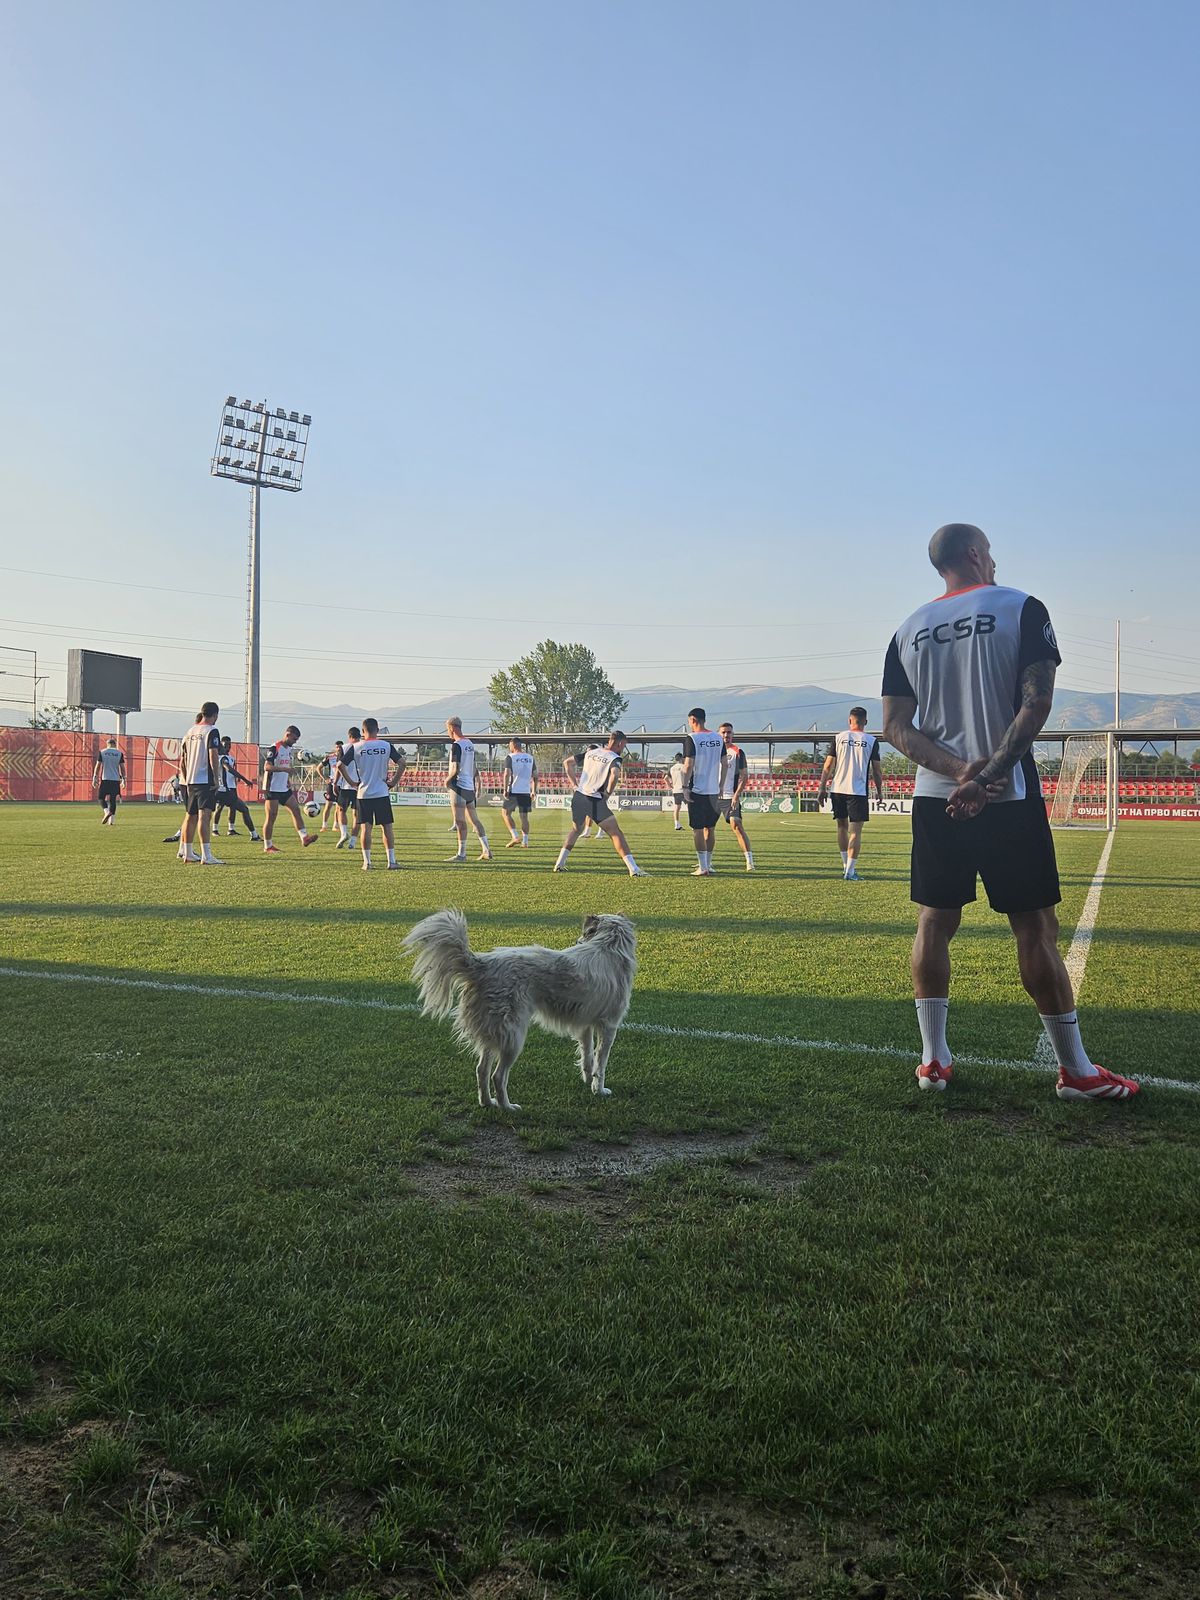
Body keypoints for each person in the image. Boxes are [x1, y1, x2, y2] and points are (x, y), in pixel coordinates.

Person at [881, 522, 1139, 1101]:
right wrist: (990, 774)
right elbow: (1037, 699)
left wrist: (957, 772)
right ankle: (1075, 1072)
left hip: (934, 797)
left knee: (934, 921)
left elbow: (896, 726)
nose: (994, 560)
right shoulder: (1020, 606)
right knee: (1035, 927)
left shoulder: (907, 629)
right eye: (990, 552)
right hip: (1009, 797)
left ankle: (933, 1061)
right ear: (976, 554)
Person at [553, 733, 645, 876]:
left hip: (579, 796)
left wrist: (574, 785)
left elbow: (567, 763)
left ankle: (559, 863)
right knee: (616, 833)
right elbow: (615, 774)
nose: (623, 748)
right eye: (624, 745)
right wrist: (608, 793)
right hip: (594, 799)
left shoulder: (592, 752)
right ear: (620, 743)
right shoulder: (614, 757)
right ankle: (633, 869)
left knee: (576, 830)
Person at [817, 707, 883, 880]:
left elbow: (828, 765)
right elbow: (877, 770)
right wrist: (880, 791)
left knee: (841, 827)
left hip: (837, 789)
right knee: (856, 832)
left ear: (849, 720)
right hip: (857, 791)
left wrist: (822, 787)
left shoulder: (839, 738)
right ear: (865, 722)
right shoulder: (871, 740)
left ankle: (845, 866)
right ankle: (850, 872)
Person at [343, 718, 404, 870]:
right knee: (387, 827)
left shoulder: (356, 747)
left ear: (363, 731)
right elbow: (402, 763)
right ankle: (391, 861)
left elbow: (340, 765)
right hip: (382, 792)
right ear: (377, 729)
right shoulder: (385, 745)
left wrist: (351, 782)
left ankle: (367, 862)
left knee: (366, 828)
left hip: (364, 794)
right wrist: (394, 781)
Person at [681, 708, 727, 876]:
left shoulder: (692, 738)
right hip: (714, 791)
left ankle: (702, 867)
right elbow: (725, 764)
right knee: (711, 828)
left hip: (698, 790)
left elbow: (688, 765)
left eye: (689, 722)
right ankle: (709, 864)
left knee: (698, 829)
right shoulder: (717, 737)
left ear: (693, 719)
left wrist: (685, 787)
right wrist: (721, 786)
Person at [177, 702, 223, 865]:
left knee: (191, 816)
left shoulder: (190, 731)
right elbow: (213, 754)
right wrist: (217, 779)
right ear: (215, 715)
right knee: (205, 816)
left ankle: (187, 852)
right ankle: (207, 855)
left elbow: (184, 757)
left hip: (190, 780)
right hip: (205, 779)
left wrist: (185, 775)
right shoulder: (211, 731)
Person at [261, 725, 319, 853]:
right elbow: (267, 767)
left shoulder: (288, 750)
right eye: (294, 739)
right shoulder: (275, 747)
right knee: (271, 817)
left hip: (283, 788)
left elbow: (283, 765)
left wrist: (287, 779)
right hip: (272, 788)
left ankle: (304, 838)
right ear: (287, 735)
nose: (295, 742)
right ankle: (268, 846)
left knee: (296, 810)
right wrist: (285, 770)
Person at [444, 717, 492, 862]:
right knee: (475, 820)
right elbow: (473, 767)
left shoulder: (456, 745)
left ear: (452, 728)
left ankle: (461, 854)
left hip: (458, 787)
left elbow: (456, 768)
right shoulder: (469, 744)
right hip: (469, 788)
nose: (448, 733)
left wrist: (447, 780)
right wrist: (477, 783)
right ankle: (486, 849)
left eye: (448, 729)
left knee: (460, 822)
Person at [717, 723, 755, 871]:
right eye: (723, 732)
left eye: (729, 732)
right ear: (718, 734)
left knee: (736, 825)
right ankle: (706, 862)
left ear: (733, 734)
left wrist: (736, 795)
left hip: (730, 796)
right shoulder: (712, 752)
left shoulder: (738, 752)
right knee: (707, 829)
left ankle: (749, 861)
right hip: (712, 795)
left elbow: (744, 776)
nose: (726, 735)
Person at [211, 736, 261, 839]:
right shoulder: (223, 758)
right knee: (244, 809)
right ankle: (254, 835)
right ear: (221, 746)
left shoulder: (230, 758)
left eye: (229, 745)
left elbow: (230, 771)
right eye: (225, 745)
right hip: (226, 790)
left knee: (231, 807)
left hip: (228, 789)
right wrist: (244, 779)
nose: (228, 747)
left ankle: (229, 829)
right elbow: (228, 769)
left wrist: (236, 779)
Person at [500, 738, 537, 847]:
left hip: (514, 790)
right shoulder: (530, 758)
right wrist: (533, 790)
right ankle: (525, 842)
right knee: (524, 817)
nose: (509, 748)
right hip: (525, 791)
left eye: (510, 746)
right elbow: (535, 775)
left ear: (514, 745)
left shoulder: (511, 757)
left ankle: (515, 836)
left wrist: (505, 788)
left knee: (505, 813)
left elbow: (507, 773)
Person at [334, 727, 362, 850]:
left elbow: (339, 767)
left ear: (349, 736)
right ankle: (353, 841)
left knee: (341, 810)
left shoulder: (344, 748)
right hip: (360, 786)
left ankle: (344, 833)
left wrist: (335, 783)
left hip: (346, 785)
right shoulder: (363, 746)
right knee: (357, 815)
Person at [92, 738, 125, 825]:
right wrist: (124, 779)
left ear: (107, 744)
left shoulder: (102, 752)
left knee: (101, 798)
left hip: (105, 779)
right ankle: (111, 821)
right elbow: (122, 767)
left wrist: (95, 777)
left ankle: (106, 812)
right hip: (115, 780)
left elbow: (98, 765)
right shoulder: (119, 753)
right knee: (112, 800)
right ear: (115, 744)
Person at [319, 742, 343, 832]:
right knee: (328, 805)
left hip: (341, 785)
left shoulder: (344, 757)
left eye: (340, 747)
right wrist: (325, 778)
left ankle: (335, 826)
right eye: (337, 747)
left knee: (338, 806)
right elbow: (319, 768)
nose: (339, 748)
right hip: (331, 783)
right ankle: (324, 825)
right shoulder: (330, 757)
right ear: (335, 748)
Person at [667, 752, 687, 830]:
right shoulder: (684, 766)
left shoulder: (672, 768)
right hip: (684, 789)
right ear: (682, 758)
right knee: (690, 808)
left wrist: (670, 786)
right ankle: (693, 825)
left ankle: (676, 824)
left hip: (676, 790)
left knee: (676, 808)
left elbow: (665, 778)